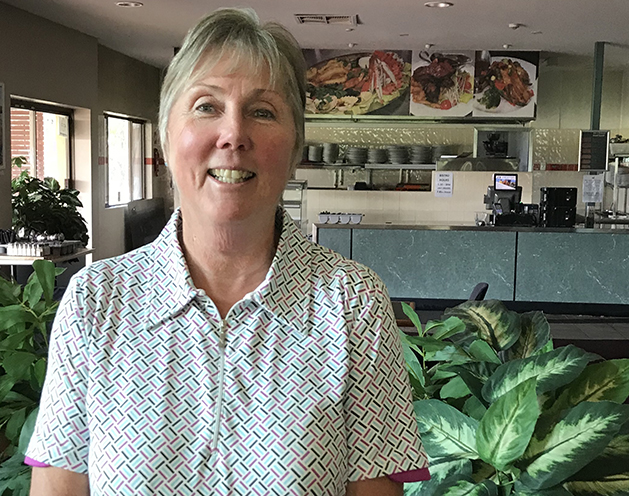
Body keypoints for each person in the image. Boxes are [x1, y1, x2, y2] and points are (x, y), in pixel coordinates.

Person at [26, 7, 429, 496]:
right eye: (206, 106)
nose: (234, 135)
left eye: (263, 111)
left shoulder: (352, 303)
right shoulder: (97, 301)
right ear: (165, 136)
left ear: (296, 148)